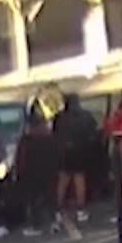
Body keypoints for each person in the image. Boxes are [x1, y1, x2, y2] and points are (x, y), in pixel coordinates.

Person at [13, 113, 64, 238]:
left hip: (32, 173)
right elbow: (59, 153)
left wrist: (19, 173)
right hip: (50, 172)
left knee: (34, 200)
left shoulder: (27, 140)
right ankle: (54, 222)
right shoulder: (50, 137)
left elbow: (21, 158)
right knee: (51, 197)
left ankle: (36, 226)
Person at [52, 92, 98, 226]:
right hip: (81, 150)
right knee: (79, 179)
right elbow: (93, 133)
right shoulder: (86, 116)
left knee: (63, 179)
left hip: (64, 152)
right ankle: (80, 209)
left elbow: (55, 134)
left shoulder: (60, 117)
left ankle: (58, 208)